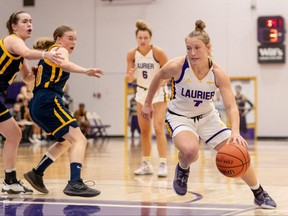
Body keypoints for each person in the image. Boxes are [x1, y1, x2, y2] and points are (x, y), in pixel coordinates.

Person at [141, 20, 276, 209]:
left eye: (197, 48)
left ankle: (259, 192)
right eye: (189, 48)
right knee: (190, 151)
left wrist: (235, 133)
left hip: (208, 118)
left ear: (208, 48)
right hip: (180, 116)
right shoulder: (178, 66)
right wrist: (147, 103)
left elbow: (231, 107)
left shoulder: (218, 73)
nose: (193, 52)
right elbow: (157, 76)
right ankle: (183, 169)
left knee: (239, 152)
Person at [23, 25, 104, 197]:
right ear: (59, 39)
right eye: (70, 38)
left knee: (66, 141)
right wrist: (85, 71)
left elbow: (32, 81)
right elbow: (65, 65)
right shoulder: (60, 50)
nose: (73, 42)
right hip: (49, 101)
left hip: (38, 103)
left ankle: (36, 173)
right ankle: (75, 183)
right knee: (80, 140)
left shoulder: (51, 52)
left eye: (75, 39)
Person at [0, 10, 62, 194]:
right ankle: (9, 182)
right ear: (14, 26)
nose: (30, 25)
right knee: (14, 134)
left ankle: (10, 181)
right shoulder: (12, 40)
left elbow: (27, 78)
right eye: (25, 21)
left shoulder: (19, 51)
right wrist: (46, 55)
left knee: (14, 135)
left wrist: (36, 73)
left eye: (31, 21)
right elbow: (27, 52)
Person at [126, 20, 169, 177]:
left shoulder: (157, 52)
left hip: (158, 92)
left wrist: (154, 90)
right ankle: (146, 164)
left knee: (158, 128)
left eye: (145, 37)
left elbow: (168, 74)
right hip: (141, 93)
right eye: (140, 38)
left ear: (150, 38)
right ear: (136, 38)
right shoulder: (132, 54)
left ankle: (163, 163)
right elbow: (130, 80)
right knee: (144, 130)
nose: (143, 40)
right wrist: (129, 76)